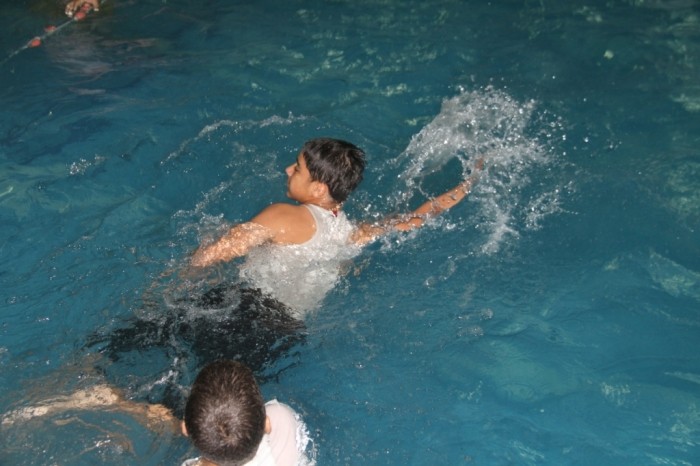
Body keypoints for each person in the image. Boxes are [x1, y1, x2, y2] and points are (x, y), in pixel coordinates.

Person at [189, 137, 483, 312]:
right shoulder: (354, 234)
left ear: (318, 189)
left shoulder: (283, 216)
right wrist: (471, 181)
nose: (287, 170)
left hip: (246, 309)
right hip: (288, 330)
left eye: (297, 168)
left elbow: (209, 257)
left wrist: (188, 274)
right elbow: (419, 217)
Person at [2, 360, 311, 466]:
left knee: (155, 420)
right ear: (265, 423)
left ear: (186, 430)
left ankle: (112, 401)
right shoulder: (282, 418)